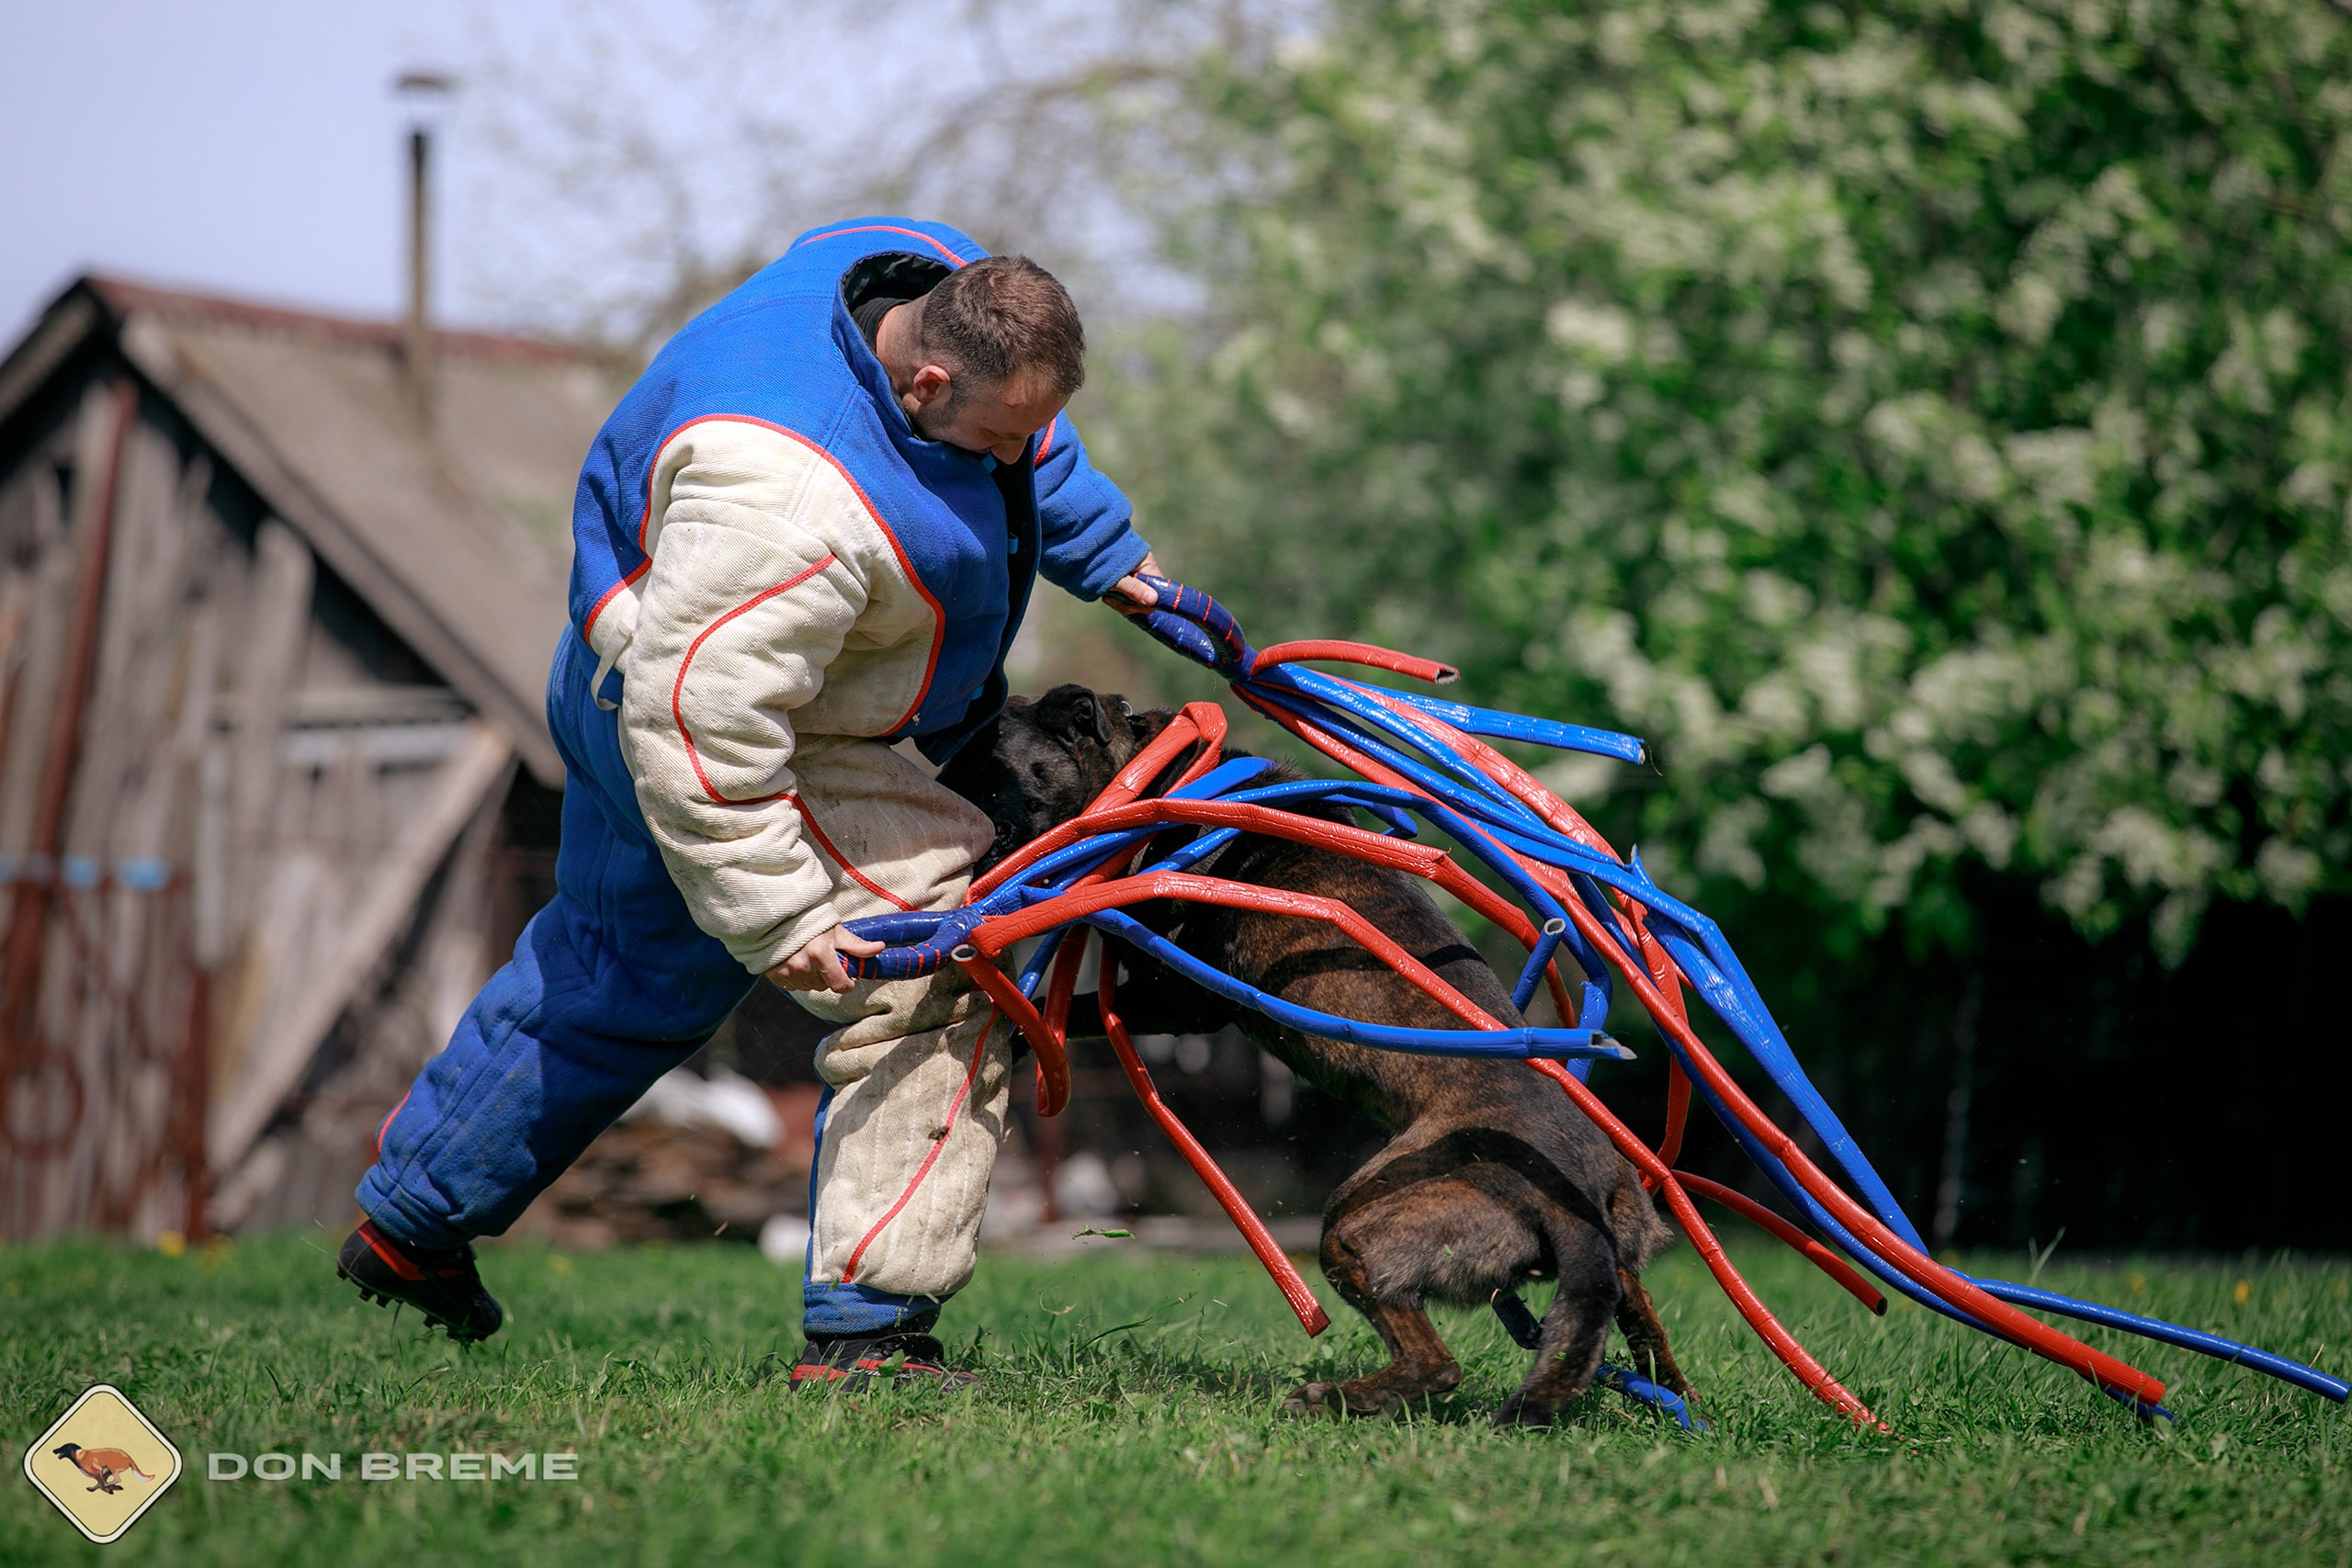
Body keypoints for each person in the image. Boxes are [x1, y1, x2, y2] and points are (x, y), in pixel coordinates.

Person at [337, 218, 1164, 1387]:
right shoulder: (779, 498)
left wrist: (1112, 556)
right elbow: (702, 728)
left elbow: (1035, 446)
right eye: (995, 434)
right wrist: (786, 921)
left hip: (645, 675)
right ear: (924, 379)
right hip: (720, 724)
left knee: (621, 970)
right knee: (941, 961)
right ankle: (869, 1336)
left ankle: (407, 1231)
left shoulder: (913, 262)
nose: (1011, 456)